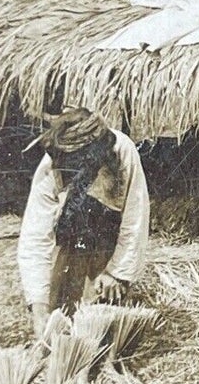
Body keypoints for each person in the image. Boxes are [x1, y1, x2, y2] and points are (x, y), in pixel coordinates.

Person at [16, 107, 151, 338]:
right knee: (62, 326)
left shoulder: (122, 151)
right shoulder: (51, 166)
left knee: (104, 330)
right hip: (71, 245)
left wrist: (116, 273)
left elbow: (134, 218)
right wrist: (39, 309)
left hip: (108, 239)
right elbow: (35, 237)